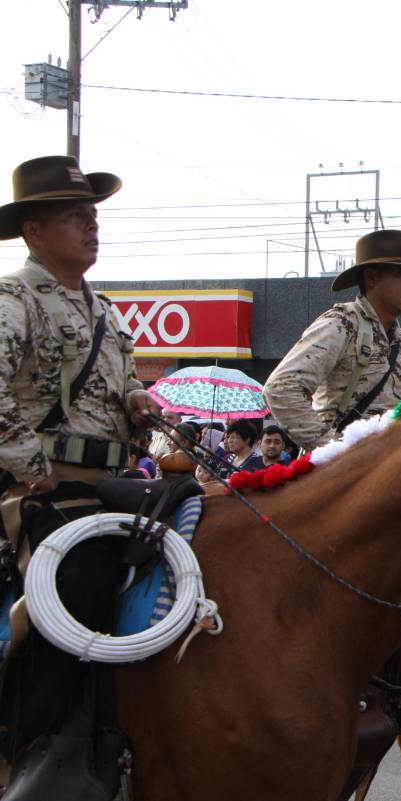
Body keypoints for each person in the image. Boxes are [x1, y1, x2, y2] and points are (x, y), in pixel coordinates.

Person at [0, 155, 163, 775]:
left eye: (92, 215)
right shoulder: (14, 296)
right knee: (83, 584)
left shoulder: (103, 309)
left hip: (115, 484)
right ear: (33, 231)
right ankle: (39, 751)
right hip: (45, 488)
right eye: (74, 216)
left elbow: (110, 385)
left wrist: (137, 399)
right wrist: (29, 464)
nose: (91, 226)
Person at [263, 230, 401, 451]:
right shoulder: (341, 325)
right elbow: (281, 388)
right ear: (372, 278)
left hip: (393, 469)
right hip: (345, 476)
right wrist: (332, 450)